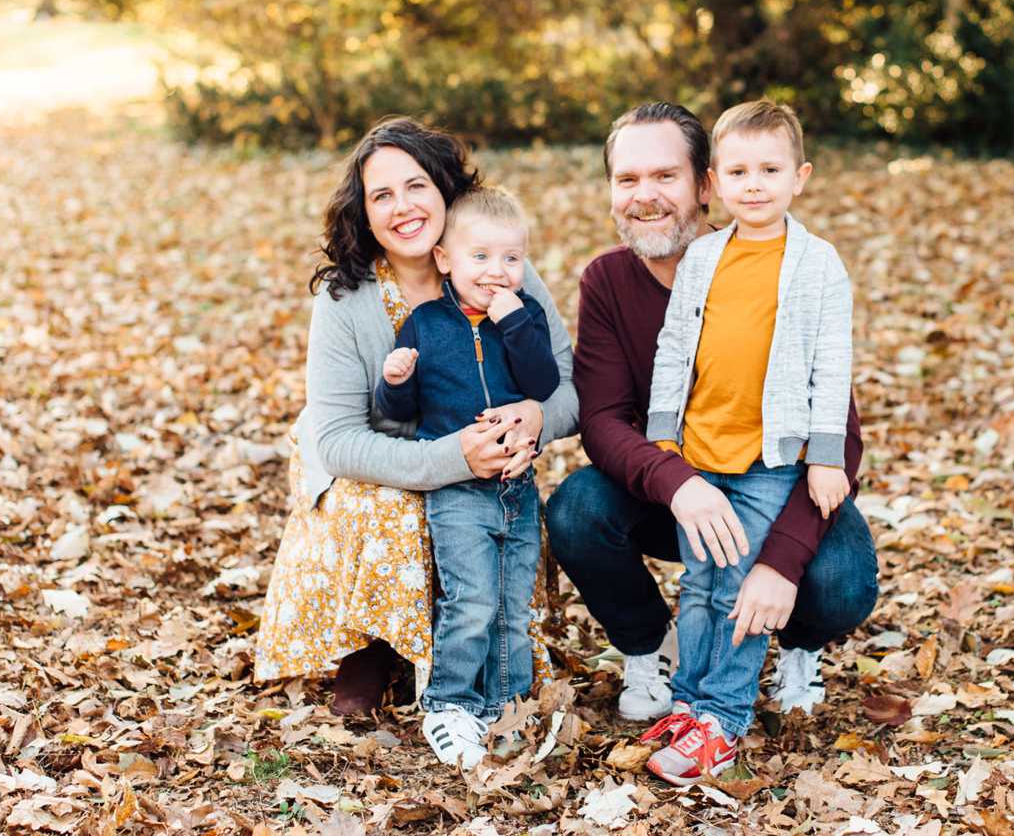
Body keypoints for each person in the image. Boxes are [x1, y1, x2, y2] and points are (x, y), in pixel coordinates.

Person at [546, 101, 876, 728]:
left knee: (840, 579)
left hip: (772, 479)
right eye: (627, 180)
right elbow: (604, 421)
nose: (645, 196)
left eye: (664, 177)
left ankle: (795, 647)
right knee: (577, 510)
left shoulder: (790, 272)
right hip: (678, 481)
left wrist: (781, 561)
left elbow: (841, 430)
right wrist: (679, 483)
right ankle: (653, 651)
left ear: (704, 186)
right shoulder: (609, 281)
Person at [254, 117, 578, 716]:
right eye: (382, 195)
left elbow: (567, 383)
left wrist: (534, 417)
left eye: (416, 186)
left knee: (495, 505)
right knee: (396, 506)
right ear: (366, 214)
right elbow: (338, 441)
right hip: (373, 459)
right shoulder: (346, 299)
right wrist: (453, 457)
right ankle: (372, 648)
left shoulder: (497, 265)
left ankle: (479, 654)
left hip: (491, 461)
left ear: (444, 190)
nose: (402, 206)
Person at [636, 99, 853, 784]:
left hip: (768, 460)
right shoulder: (703, 256)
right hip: (702, 448)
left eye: (769, 169)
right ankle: (689, 702)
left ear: (800, 176)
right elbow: (675, 346)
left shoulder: (816, 264)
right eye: (737, 171)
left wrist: (824, 452)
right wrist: (662, 433)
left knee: (737, 584)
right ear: (714, 185)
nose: (753, 183)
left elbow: (833, 361)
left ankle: (724, 720)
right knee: (699, 584)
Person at [374, 187, 558, 767]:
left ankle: (504, 704)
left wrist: (517, 326)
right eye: (480, 257)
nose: (497, 271)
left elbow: (544, 383)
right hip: (455, 487)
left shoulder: (522, 317)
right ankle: (449, 702)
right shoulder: (426, 325)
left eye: (511, 259)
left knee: (510, 601)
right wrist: (397, 380)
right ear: (446, 260)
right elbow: (398, 416)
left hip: (516, 485)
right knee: (472, 597)